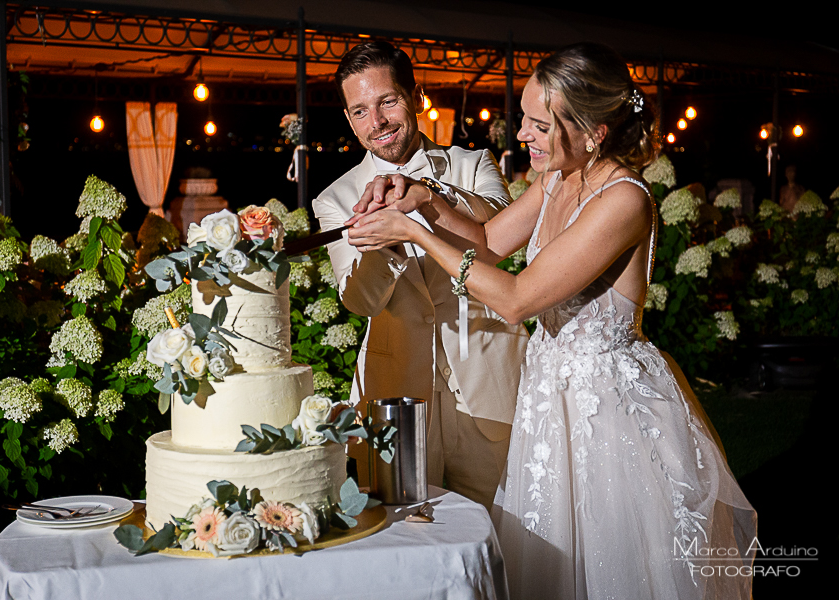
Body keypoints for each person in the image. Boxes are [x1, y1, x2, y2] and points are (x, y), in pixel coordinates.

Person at [347, 43, 756, 599]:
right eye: (524, 120)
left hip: (606, 409)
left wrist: (416, 234)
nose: (521, 136)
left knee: (612, 558)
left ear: (593, 132)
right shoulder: (558, 179)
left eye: (539, 125)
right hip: (549, 397)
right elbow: (488, 243)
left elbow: (517, 299)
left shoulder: (623, 200)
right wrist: (424, 201)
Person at [312, 41, 529, 511]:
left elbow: (496, 245)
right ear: (349, 120)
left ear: (416, 94)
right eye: (361, 111)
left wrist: (428, 192)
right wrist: (387, 238)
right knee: (404, 530)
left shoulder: (473, 165)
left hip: (489, 383)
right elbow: (360, 300)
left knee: (508, 526)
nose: (379, 122)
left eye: (388, 101)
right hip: (395, 395)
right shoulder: (335, 198)